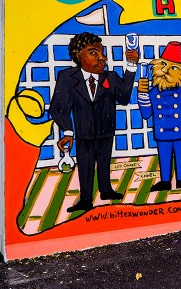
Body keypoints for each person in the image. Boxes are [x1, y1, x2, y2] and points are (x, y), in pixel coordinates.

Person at [49, 32, 138, 213]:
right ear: (78, 55)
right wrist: (67, 131)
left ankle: (105, 190)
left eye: (102, 53)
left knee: (105, 161)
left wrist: (131, 66)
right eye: (94, 53)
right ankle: (86, 199)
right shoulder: (68, 77)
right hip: (84, 133)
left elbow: (124, 98)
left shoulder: (110, 77)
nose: (102, 58)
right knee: (86, 165)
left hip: (106, 130)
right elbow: (58, 108)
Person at [138, 41, 181, 192]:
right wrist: (141, 93)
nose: (166, 71)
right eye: (163, 65)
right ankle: (165, 181)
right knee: (164, 157)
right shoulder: (154, 91)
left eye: (172, 67)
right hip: (162, 132)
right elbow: (146, 114)